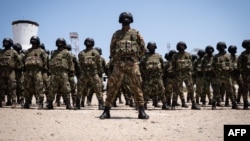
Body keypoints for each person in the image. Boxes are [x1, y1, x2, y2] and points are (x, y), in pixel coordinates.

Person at [100, 12, 149, 119]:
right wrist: (116, 60)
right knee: (113, 86)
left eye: (128, 18)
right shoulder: (116, 34)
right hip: (119, 64)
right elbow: (112, 49)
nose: (125, 20)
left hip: (133, 63)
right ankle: (106, 110)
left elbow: (143, 48)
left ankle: (141, 110)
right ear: (120, 20)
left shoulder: (136, 33)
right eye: (123, 18)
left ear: (131, 20)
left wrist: (136, 58)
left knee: (137, 86)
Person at [75, 38, 104, 110]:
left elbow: (99, 64)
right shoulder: (81, 53)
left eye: (90, 42)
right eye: (87, 42)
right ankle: (77, 104)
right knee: (79, 88)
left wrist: (99, 72)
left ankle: (101, 104)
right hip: (84, 73)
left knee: (98, 88)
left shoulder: (96, 53)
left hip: (93, 73)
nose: (88, 43)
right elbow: (79, 64)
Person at [46, 38, 74, 109]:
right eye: (58, 43)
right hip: (54, 73)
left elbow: (70, 63)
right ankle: (50, 104)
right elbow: (50, 62)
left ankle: (68, 104)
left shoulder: (67, 53)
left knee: (66, 88)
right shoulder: (54, 52)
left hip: (63, 73)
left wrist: (71, 72)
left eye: (61, 43)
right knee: (52, 88)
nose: (59, 44)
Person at [140, 42, 169, 110]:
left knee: (162, 90)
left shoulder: (158, 56)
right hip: (148, 77)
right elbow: (141, 66)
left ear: (155, 47)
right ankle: (144, 105)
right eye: (150, 47)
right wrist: (145, 73)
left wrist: (160, 72)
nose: (152, 48)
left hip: (158, 76)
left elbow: (163, 65)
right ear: (148, 48)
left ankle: (164, 104)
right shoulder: (145, 57)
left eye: (153, 47)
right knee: (146, 91)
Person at [172, 41, 200, 110]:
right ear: (178, 47)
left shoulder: (188, 55)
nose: (181, 47)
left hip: (187, 74)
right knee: (176, 89)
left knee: (191, 89)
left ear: (185, 46)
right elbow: (173, 66)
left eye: (183, 45)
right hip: (178, 74)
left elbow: (191, 64)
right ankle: (173, 104)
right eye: (180, 45)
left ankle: (193, 104)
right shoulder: (175, 56)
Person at [23, 36, 48, 109]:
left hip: (37, 71)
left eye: (35, 41)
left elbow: (45, 61)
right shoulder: (28, 51)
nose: (33, 42)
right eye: (32, 41)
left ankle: (40, 103)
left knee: (39, 87)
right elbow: (24, 60)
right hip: (28, 71)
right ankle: (27, 102)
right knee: (27, 87)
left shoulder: (41, 51)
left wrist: (44, 72)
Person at [212, 42, 238, 110]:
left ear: (225, 47)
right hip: (218, 76)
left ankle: (234, 104)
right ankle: (213, 104)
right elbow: (213, 66)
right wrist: (217, 71)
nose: (221, 48)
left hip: (227, 76)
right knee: (216, 91)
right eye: (219, 46)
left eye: (222, 46)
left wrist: (228, 69)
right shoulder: (215, 56)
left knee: (230, 90)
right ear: (217, 48)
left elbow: (233, 66)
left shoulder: (229, 56)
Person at [0, 38, 21, 108]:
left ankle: (14, 102)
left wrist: (17, 68)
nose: (6, 43)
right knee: (1, 87)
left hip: (11, 71)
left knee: (12, 87)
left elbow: (19, 60)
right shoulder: (1, 52)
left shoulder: (13, 52)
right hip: (2, 71)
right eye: (5, 42)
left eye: (7, 42)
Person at [237, 39, 250, 109]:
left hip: (245, 74)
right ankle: (245, 103)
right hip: (246, 75)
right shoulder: (243, 54)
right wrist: (242, 71)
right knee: (245, 89)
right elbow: (238, 64)